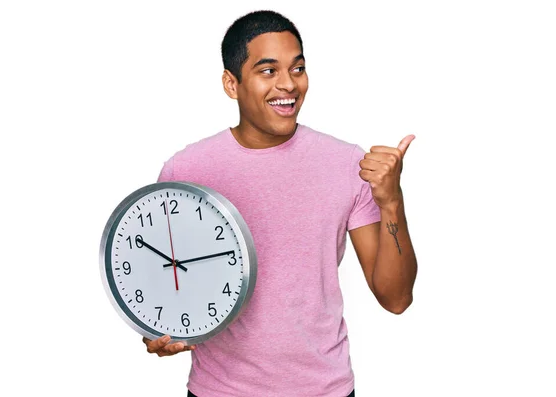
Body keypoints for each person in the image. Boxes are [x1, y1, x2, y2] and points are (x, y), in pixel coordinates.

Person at [143, 10, 417, 397]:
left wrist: (392, 201)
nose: (288, 84)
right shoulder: (186, 169)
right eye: (268, 71)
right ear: (231, 83)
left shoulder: (345, 164)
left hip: (325, 390)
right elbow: (164, 281)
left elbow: (396, 298)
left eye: (298, 68)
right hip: (218, 391)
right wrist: (163, 333)